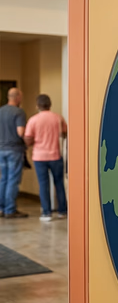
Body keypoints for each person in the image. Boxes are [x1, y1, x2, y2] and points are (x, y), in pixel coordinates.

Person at [24, 94, 68, 221]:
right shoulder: (58, 118)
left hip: (39, 157)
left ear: (37, 105)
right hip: (55, 155)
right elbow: (65, 133)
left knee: (43, 184)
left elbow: (27, 139)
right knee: (59, 183)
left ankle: (46, 213)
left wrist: (34, 141)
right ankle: (62, 211)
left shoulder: (33, 120)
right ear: (50, 105)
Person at [0, 87, 29, 218]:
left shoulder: (1, 111)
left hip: (1, 150)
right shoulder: (19, 112)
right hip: (14, 150)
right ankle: (10, 209)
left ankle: (1, 208)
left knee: (3, 179)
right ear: (17, 97)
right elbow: (21, 132)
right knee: (13, 180)